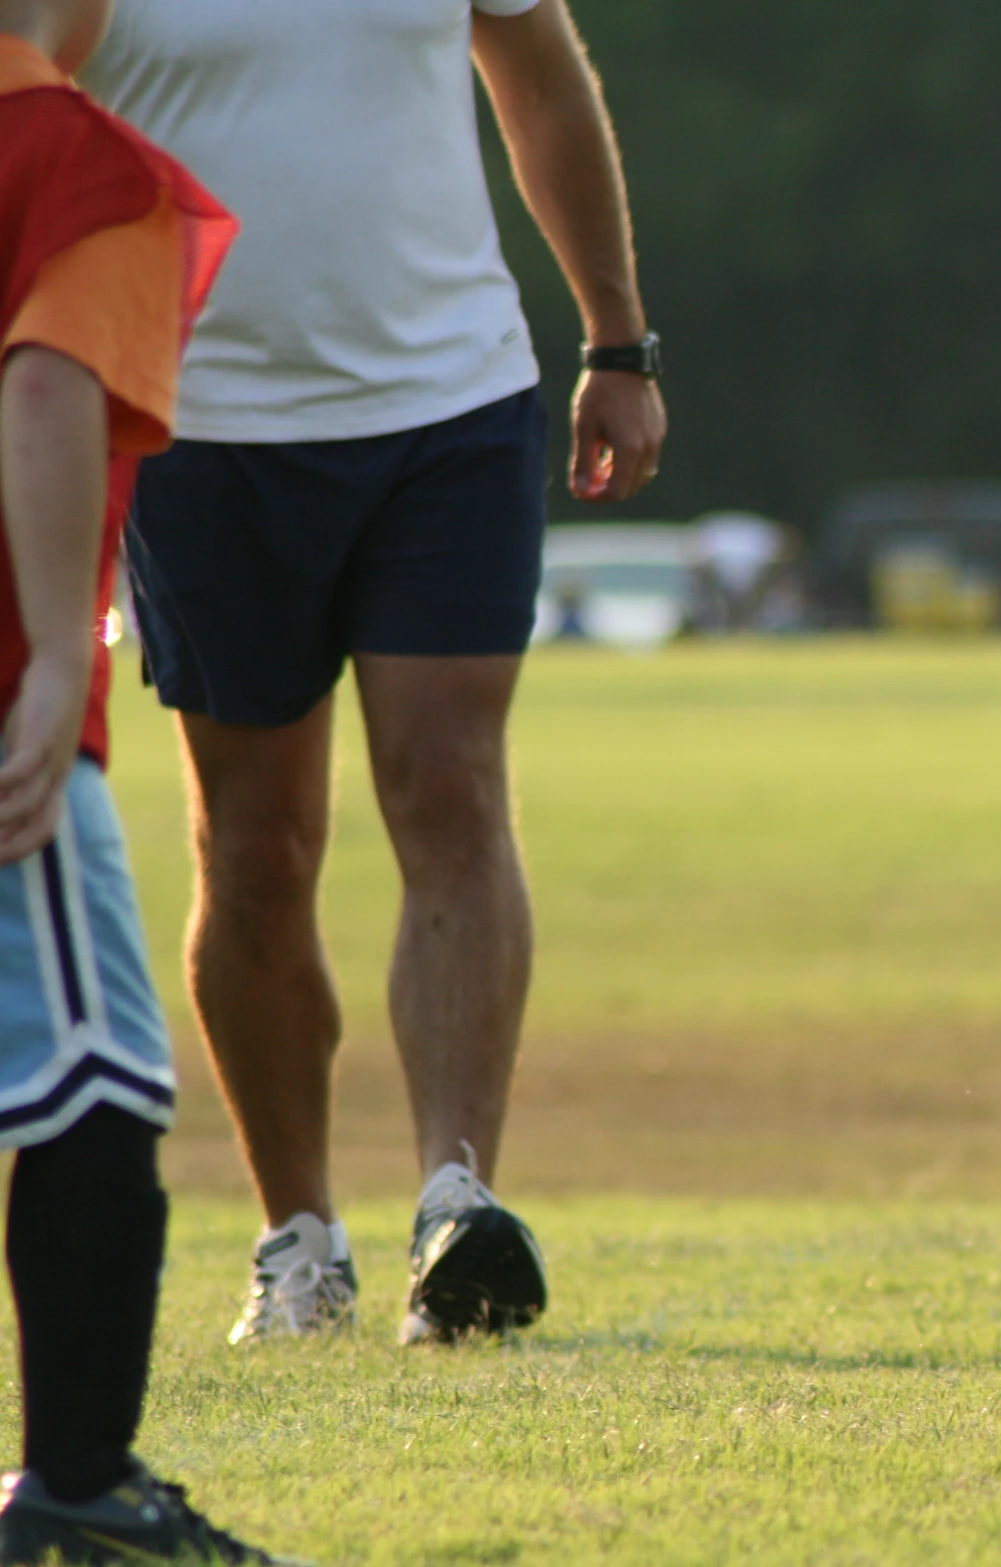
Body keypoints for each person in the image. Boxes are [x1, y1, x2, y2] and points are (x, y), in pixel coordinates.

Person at [79, 0, 667, 1346]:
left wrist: (616, 339)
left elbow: (537, 74)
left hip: (449, 404)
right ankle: (301, 1243)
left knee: (451, 784)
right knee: (260, 842)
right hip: (200, 425)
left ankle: (455, 1210)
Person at [0, 3, 297, 1559]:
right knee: (97, 1079)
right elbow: (47, 383)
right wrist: (56, 654)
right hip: (1, 710)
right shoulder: (74, 157)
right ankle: (81, 1488)